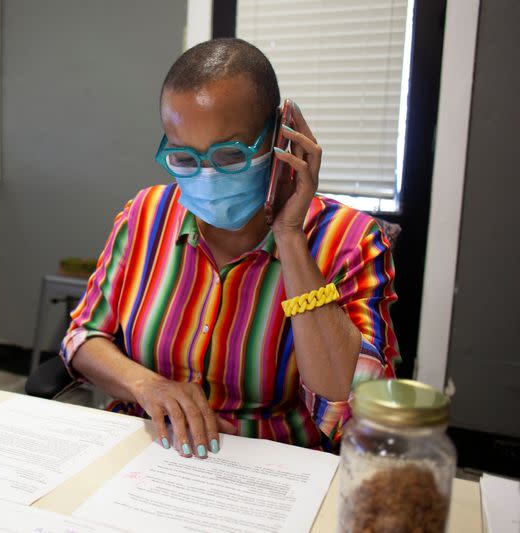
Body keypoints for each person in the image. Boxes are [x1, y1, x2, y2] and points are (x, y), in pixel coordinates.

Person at [60, 38, 399, 456]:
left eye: (230, 155)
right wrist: (147, 385)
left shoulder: (349, 240)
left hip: (270, 473)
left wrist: (291, 237)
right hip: (148, 457)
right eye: (184, 158)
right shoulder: (144, 216)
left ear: (279, 136)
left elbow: (349, 410)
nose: (206, 177)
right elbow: (82, 338)